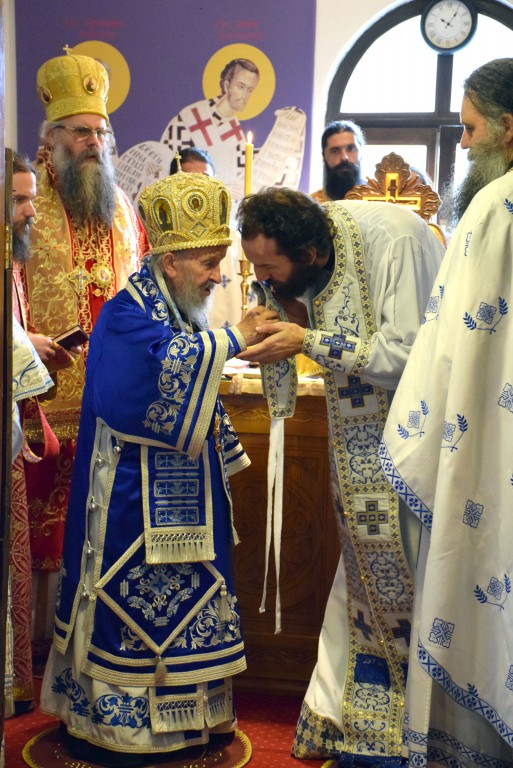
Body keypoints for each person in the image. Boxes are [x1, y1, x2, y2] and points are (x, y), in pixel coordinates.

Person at [40, 170, 278, 766]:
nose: (218, 275)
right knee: (136, 608)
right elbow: (152, 376)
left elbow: (189, 364)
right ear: (170, 262)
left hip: (184, 509)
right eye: (208, 263)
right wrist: (232, 339)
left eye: (219, 261)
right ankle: (124, 730)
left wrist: (227, 343)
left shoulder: (176, 311)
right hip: (129, 509)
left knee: (191, 604)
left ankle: (195, 717)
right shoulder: (126, 314)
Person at [235, 187, 444, 766]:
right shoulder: (313, 251)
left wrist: (307, 339)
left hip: (411, 446)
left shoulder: (396, 239)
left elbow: (406, 356)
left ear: (310, 254)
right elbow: (309, 315)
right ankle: (361, 720)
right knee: (363, 578)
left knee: (413, 580)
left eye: (270, 269)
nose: (262, 279)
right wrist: (275, 320)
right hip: (353, 449)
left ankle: (415, 726)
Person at [380, 59, 513, 766]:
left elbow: (450, 348)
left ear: (507, 128)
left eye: (468, 129)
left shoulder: (494, 209)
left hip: (491, 451)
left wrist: (418, 434)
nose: (462, 144)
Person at [22, 48, 149, 639]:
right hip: (43, 404)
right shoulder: (22, 208)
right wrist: (22, 341)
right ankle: (35, 645)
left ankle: (94, 638)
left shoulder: (121, 206)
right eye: (81, 131)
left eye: (101, 132)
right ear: (51, 137)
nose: (94, 143)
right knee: (42, 533)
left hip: (112, 401)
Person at [161, 58, 259, 191]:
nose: (245, 95)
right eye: (240, 87)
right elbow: (168, 163)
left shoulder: (233, 126)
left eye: (250, 90)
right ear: (226, 85)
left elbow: (239, 171)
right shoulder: (193, 116)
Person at [311, 120, 366, 203]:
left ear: (361, 152)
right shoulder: (311, 205)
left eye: (351, 149)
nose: (344, 157)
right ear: (324, 156)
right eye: (335, 151)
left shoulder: (378, 199)